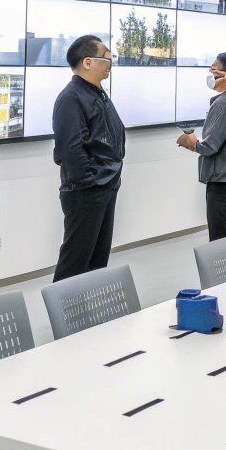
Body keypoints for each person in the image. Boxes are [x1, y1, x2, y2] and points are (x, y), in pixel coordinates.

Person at [51, 34, 126, 281]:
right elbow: (70, 150)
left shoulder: (97, 93)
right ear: (87, 62)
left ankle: (91, 316)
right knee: (76, 260)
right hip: (86, 191)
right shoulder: (71, 97)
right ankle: (64, 315)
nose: (110, 62)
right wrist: (91, 180)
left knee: (96, 259)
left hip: (104, 186)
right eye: (106, 56)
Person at [176, 52, 226, 241]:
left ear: (225, 75)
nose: (210, 74)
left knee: (221, 239)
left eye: (213, 70)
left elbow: (209, 147)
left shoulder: (223, 104)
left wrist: (190, 142)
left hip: (221, 182)